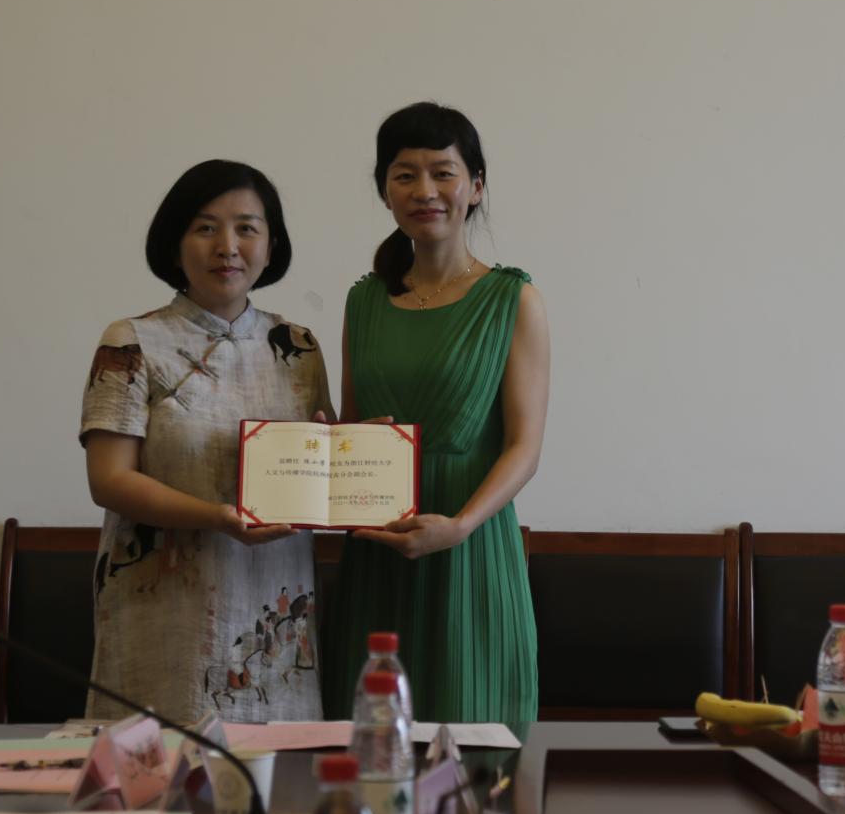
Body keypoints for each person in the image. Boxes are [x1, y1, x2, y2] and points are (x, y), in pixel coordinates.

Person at [320, 104, 549, 724]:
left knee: (475, 748)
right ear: (385, 191)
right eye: (405, 175)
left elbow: (524, 449)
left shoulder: (514, 299)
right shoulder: (363, 301)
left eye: (443, 173)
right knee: (372, 749)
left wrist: (461, 526)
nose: (424, 191)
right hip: (377, 552)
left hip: (470, 548)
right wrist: (322, 446)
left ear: (475, 187)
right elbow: (353, 429)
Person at [81, 162, 333, 724]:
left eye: (247, 228)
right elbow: (109, 479)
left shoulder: (298, 345)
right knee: (163, 767)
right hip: (166, 605)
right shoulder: (132, 341)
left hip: (275, 599)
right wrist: (216, 517)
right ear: (175, 244)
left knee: (276, 771)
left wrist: (357, 451)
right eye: (205, 228)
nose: (227, 246)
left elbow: (321, 473)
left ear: (271, 245)